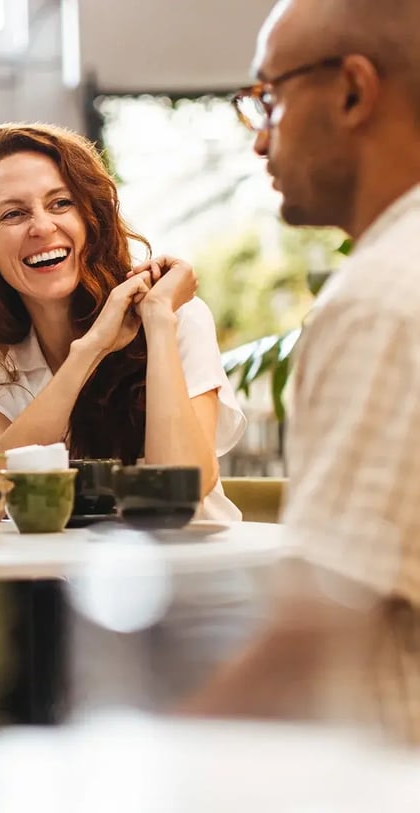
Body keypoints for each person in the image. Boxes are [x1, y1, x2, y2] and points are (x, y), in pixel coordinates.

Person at [183, 0, 420, 742]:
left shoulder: (384, 297)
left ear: (352, 91)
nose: (258, 143)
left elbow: (317, 640)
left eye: (268, 98)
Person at [0, 122, 245, 520]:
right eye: (14, 213)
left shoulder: (174, 312)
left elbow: (183, 485)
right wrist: (90, 349)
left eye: (61, 203)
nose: (43, 227)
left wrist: (159, 322)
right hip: (56, 575)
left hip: (189, 571)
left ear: (90, 219)